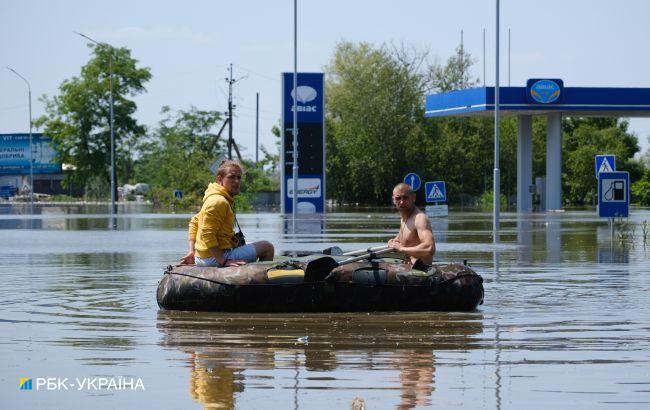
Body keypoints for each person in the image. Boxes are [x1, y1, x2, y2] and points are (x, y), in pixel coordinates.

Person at [179, 160, 274, 267]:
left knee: (249, 243)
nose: (237, 181)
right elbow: (207, 235)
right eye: (231, 177)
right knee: (267, 247)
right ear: (220, 179)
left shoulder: (215, 197)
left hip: (203, 256)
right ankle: (262, 280)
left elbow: (194, 222)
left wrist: (192, 252)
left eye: (239, 177)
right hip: (213, 258)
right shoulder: (219, 201)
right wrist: (224, 261)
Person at [387, 183, 435, 267]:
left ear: (413, 198)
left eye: (405, 197)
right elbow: (405, 239)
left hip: (421, 272)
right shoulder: (404, 218)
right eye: (398, 198)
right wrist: (392, 242)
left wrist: (401, 249)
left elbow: (429, 248)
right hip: (408, 269)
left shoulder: (420, 219)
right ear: (393, 200)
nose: (402, 202)